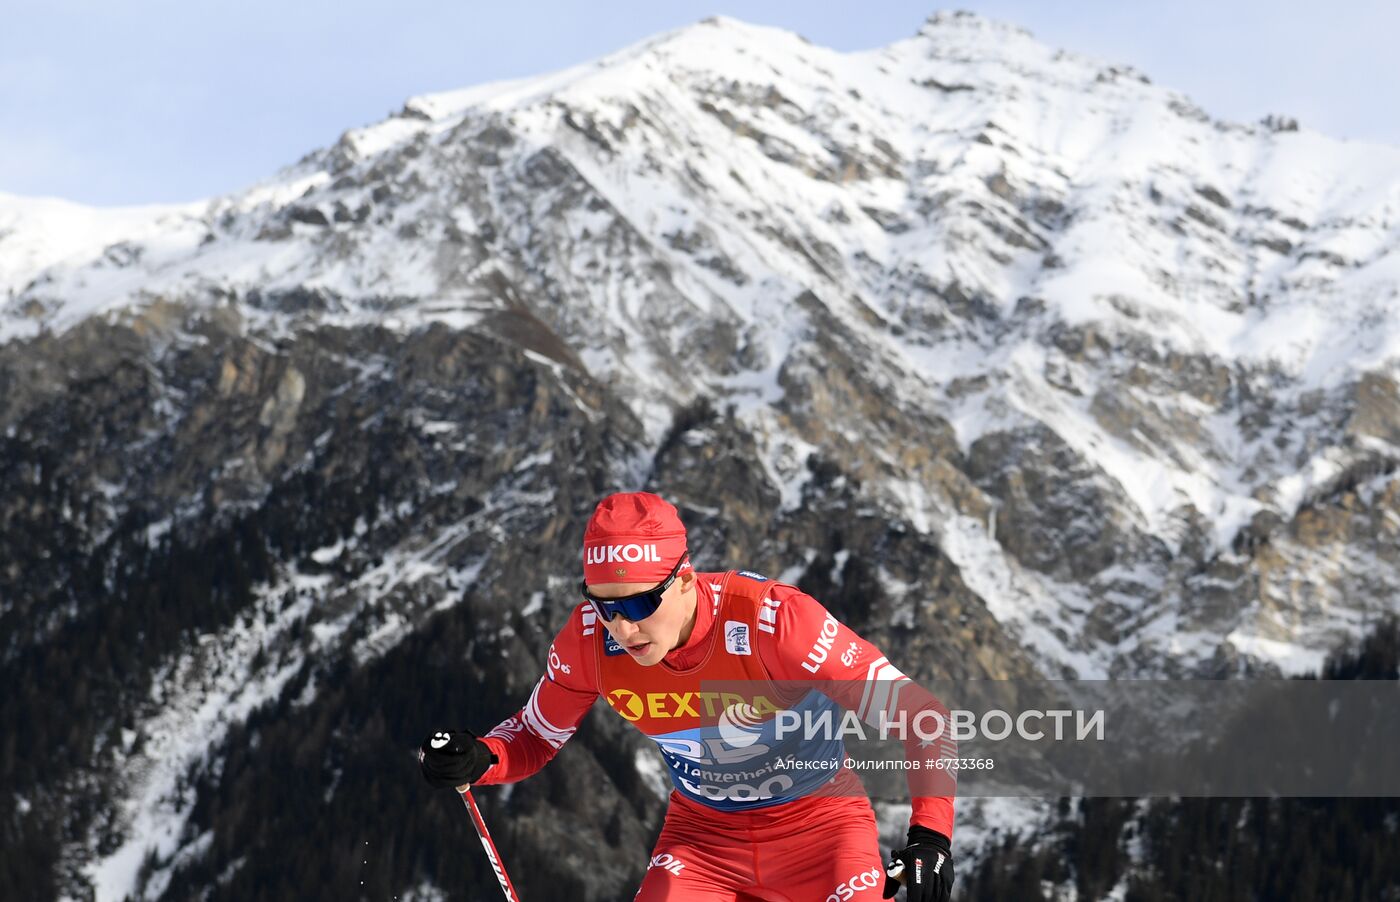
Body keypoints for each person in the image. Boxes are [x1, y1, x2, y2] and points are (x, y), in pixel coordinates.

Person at [420, 492, 955, 901]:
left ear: (684, 579)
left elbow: (922, 716)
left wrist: (931, 837)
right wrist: (481, 757)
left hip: (821, 831)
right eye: (603, 605)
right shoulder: (589, 642)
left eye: (636, 605)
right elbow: (536, 735)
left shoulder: (776, 624)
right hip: (702, 843)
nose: (621, 629)